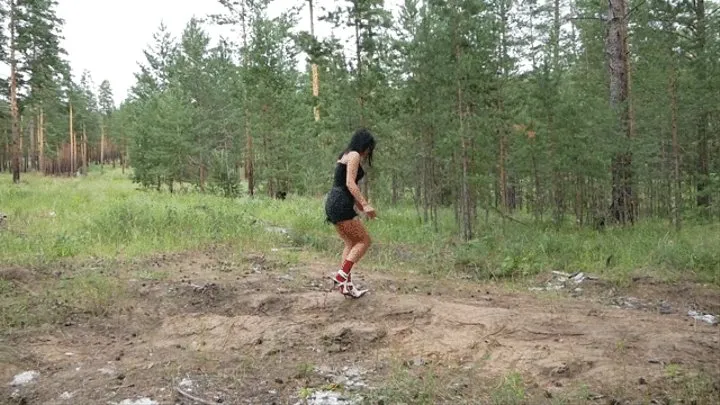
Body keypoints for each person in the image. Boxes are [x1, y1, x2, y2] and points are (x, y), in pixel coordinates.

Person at [324, 128, 376, 298]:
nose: (369, 152)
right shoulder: (354, 155)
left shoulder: (345, 155)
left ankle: (346, 286)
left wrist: (360, 207)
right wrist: (365, 204)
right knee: (364, 241)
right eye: (369, 148)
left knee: (350, 242)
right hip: (340, 202)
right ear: (365, 145)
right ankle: (341, 275)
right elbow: (349, 183)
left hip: (333, 201)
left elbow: (345, 184)